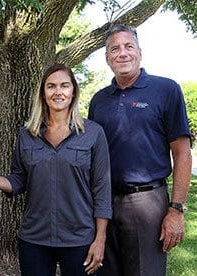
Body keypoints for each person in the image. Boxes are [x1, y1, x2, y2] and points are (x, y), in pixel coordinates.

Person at [0, 63, 112, 276]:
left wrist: (100, 239)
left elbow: (102, 190)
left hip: (79, 238)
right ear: (43, 93)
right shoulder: (26, 134)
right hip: (35, 239)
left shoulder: (93, 133)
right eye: (51, 86)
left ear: (73, 91)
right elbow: (18, 179)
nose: (58, 92)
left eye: (64, 86)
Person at [88, 24, 192, 276]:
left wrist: (176, 210)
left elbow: (182, 153)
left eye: (128, 46)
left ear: (140, 53)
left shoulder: (166, 90)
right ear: (107, 58)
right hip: (104, 203)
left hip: (147, 202)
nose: (122, 53)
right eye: (115, 49)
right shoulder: (99, 101)